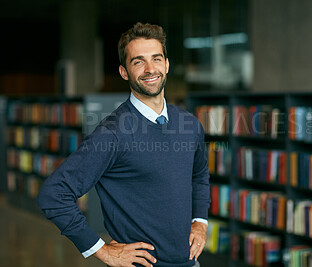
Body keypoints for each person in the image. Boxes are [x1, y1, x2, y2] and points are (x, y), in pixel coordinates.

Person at [36, 22, 210, 267]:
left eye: (156, 59)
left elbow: (199, 176)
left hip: (190, 263)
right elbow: (53, 194)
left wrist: (200, 222)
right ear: (123, 72)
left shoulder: (190, 124)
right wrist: (102, 250)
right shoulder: (113, 132)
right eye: (138, 61)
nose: (150, 69)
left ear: (167, 65)